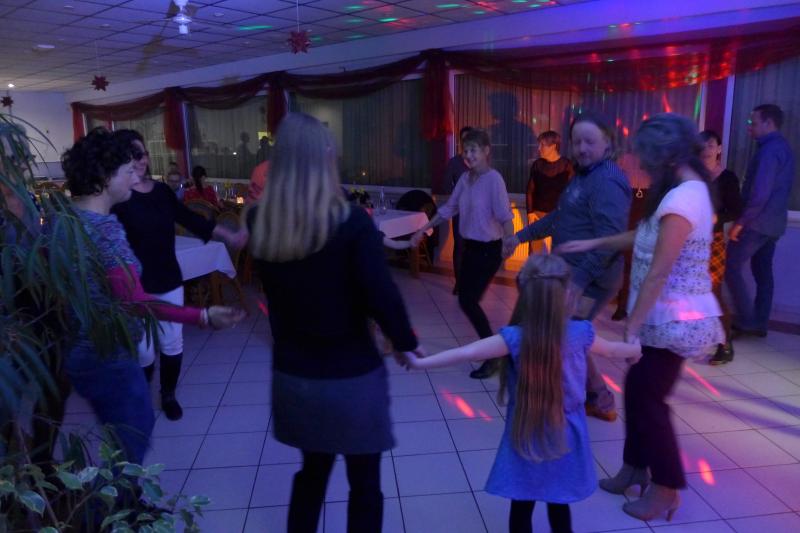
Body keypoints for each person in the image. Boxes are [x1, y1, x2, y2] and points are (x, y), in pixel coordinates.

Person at [248, 113, 420, 533]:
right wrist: (404, 341)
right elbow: (381, 294)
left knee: (311, 476)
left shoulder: (260, 222)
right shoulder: (351, 222)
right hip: (350, 378)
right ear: (325, 156)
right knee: (365, 486)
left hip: (294, 379)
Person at [559, 113, 724, 522]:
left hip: (675, 320)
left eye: (646, 159)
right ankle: (634, 469)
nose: (643, 167)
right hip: (662, 318)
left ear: (665, 156)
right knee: (637, 390)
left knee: (649, 399)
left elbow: (660, 271)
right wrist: (595, 242)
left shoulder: (684, 197)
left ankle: (666, 489)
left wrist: (631, 327)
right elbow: (645, 235)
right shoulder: (680, 190)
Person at [400, 254, 641, 533]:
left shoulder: (514, 338)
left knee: (522, 503)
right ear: (567, 295)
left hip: (525, 431)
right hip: (567, 434)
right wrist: (635, 348)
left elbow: (468, 352)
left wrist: (421, 363)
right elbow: (613, 350)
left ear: (526, 296)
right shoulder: (580, 333)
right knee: (558, 504)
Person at [60, 128, 244, 463]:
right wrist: (203, 315)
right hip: (108, 351)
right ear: (106, 175)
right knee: (133, 433)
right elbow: (136, 301)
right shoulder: (106, 229)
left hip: (84, 349)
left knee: (125, 428)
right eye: (128, 169)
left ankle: (160, 402)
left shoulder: (65, 219)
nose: (135, 175)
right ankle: (125, 493)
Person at [504, 111, 632, 422]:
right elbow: (560, 217)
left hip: (592, 279)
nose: (582, 148)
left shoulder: (607, 180)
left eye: (590, 141)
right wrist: (520, 236)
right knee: (567, 334)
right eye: (577, 142)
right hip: (573, 273)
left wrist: (578, 282)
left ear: (607, 143)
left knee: (567, 335)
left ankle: (595, 399)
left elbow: (608, 241)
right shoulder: (585, 176)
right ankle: (595, 397)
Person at [111, 129, 246, 422]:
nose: (140, 160)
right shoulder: (117, 197)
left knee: (172, 342)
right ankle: (140, 397)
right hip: (134, 285)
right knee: (144, 350)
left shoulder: (161, 192)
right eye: (132, 155)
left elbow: (189, 219)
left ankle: (169, 395)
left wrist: (227, 234)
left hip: (168, 278)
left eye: (143, 153)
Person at [411, 128, 514, 380]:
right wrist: (423, 229)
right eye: (465, 150)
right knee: (466, 301)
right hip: (470, 249)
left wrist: (509, 240)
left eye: (473, 150)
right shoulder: (466, 179)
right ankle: (493, 350)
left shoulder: (494, 179)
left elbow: (505, 216)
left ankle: (494, 354)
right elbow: (448, 209)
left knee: (468, 301)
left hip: (489, 251)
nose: (468, 155)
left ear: (486, 151)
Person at [725, 104, 795, 338]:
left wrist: (741, 222)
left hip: (758, 222)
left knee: (730, 265)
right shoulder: (782, 147)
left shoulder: (769, 151)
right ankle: (759, 322)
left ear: (768, 123)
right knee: (763, 273)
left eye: (753, 123)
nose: (749, 128)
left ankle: (748, 321)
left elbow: (760, 193)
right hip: (773, 223)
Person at [699, 130, 743, 365]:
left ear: (719, 149)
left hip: (712, 240)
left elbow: (736, 210)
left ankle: (725, 345)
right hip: (689, 239)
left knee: (713, 292)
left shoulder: (727, 178)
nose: (706, 149)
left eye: (710, 144)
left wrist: (717, 217)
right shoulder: (692, 176)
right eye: (702, 145)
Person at [526, 130, 574, 254]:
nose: (539, 148)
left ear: (553, 146)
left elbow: (572, 193)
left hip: (559, 215)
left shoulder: (567, 165)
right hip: (537, 214)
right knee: (535, 253)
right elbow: (530, 190)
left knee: (560, 252)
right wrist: (530, 212)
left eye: (542, 145)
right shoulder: (537, 164)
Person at [443, 126, 474, 294]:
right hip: (460, 212)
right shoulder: (454, 162)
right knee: (460, 246)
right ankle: (459, 283)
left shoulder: (480, 161)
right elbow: (446, 185)